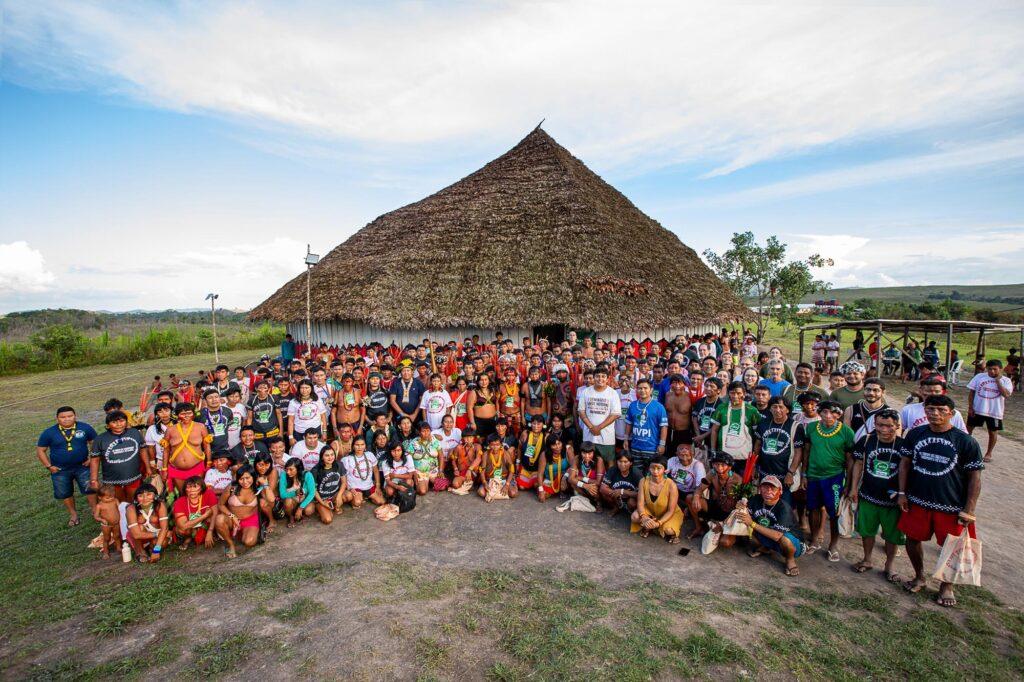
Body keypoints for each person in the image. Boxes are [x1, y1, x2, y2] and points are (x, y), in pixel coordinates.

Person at [898, 395, 983, 608]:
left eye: (940, 410)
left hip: (951, 505)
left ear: (951, 414)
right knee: (912, 539)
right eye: (930, 409)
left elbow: (975, 477)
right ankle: (919, 576)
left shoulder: (966, 441)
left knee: (952, 546)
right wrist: (901, 492)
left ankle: (946, 585)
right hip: (917, 499)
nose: (934, 413)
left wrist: (969, 509)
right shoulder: (916, 434)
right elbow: (905, 465)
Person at [848, 408, 905, 581]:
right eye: (879, 425)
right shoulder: (867, 441)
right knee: (867, 530)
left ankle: (889, 565)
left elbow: (907, 469)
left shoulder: (903, 445)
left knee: (892, 534)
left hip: (892, 499)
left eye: (888, 426)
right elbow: (857, 464)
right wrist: (853, 488)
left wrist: (903, 493)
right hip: (868, 494)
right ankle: (867, 559)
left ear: (896, 426)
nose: (883, 429)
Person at [801, 400, 855, 562]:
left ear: (839, 415)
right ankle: (815, 540)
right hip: (813, 475)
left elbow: (850, 459)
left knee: (835, 512)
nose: (828, 416)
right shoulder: (811, 428)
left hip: (835, 477)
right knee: (813, 508)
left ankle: (833, 545)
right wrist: (804, 474)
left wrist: (849, 483)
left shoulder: (846, 432)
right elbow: (807, 451)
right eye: (824, 412)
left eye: (833, 413)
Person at [37, 406, 98, 526]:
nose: (66, 419)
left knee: (90, 489)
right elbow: (40, 451)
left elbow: (95, 443)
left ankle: (95, 510)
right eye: (62, 417)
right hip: (60, 469)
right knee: (65, 493)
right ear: (57, 418)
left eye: (69, 416)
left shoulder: (85, 428)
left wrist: (92, 458)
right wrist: (49, 466)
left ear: (75, 416)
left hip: (82, 466)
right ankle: (73, 514)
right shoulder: (49, 432)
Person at [739, 475, 804, 576]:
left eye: (773, 488)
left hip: (793, 543)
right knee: (746, 526)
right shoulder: (755, 499)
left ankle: (790, 560)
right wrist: (741, 506)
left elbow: (776, 535)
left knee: (784, 539)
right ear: (760, 489)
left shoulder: (784, 508)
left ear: (780, 491)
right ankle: (766, 548)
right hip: (771, 536)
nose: (768, 491)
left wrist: (751, 523)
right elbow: (745, 515)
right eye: (765, 487)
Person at [90, 410, 148, 501]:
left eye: (121, 421)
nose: (118, 424)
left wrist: (148, 467)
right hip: (112, 478)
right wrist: (94, 479)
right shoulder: (100, 439)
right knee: (117, 502)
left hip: (133, 475)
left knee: (133, 500)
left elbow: (143, 450)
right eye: (114, 422)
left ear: (126, 421)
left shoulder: (135, 433)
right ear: (108, 425)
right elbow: (95, 460)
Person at [753, 397, 804, 495]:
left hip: (785, 475)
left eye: (781, 407)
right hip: (764, 472)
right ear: (770, 408)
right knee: (765, 500)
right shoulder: (763, 424)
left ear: (788, 409)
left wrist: (791, 473)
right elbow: (758, 445)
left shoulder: (795, 426)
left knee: (785, 503)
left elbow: (799, 452)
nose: (777, 410)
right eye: (774, 407)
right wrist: (754, 466)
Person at [709, 382, 761, 478]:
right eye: (732, 393)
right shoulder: (721, 408)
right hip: (724, 456)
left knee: (742, 484)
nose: (735, 396)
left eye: (738, 393)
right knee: (723, 481)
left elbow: (757, 435)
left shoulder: (751, 410)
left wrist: (754, 457)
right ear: (728, 393)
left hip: (744, 456)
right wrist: (713, 450)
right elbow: (714, 430)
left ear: (744, 394)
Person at [966, 359, 1014, 462]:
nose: (992, 371)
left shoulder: (1006, 380)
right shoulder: (979, 377)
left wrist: (998, 381)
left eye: (995, 369)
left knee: (992, 432)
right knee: (968, 429)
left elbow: (1006, 394)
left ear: (1000, 369)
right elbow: (971, 392)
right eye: (989, 369)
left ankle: (988, 453)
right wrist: (970, 407)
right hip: (978, 409)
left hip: (994, 411)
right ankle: (965, 449)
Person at [687, 451, 742, 538]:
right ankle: (699, 528)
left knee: (725, 542)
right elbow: (700, 489)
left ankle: (720, 526)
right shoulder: (712, 473)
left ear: (730, 467)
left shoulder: (737, 480)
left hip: (729, 514)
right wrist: (696, 497)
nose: (719, 468)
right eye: (716, 464)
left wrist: (724, 523)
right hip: (715, 506)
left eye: (723, 465)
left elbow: (741, 506)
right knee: (690, 498)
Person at [630, 457, 684, 543]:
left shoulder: (671, 485)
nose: (655, 471)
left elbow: (671, 511)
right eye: (652, 468)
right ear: (649, 468)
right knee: (635, 517)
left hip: (668, 513)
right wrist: (644, 517)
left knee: (669, 530)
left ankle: (652, 527)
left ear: (665, 470)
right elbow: (640, 503)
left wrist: (658, 523)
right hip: (650, 510)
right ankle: (650, 524)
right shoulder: (643, 481)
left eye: (659, 468)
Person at [624, 378, 668, 477]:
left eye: (645, 388)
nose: (642, 390)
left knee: (651, 475)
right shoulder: (633, 405)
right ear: (636, 390)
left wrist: (662, 444)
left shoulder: (658, 407)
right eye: (639, 388)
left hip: (652, 448)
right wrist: (626, 439)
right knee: (637, 475)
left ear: (651, 390)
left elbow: (664, 427)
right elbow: (629, 423)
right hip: (635, 447)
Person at [577, 367, 621, 467]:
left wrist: (598, 428)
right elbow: (581, 411)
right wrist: (592, 427)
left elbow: (615, 414)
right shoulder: (586, 392)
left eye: (603, 376)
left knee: (609, 460)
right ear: (594, 377)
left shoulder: (613, 393)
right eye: (597, 376)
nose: (600, 379)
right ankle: (590, 481)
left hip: (606, 436)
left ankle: (608, 481)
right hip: (589, 435)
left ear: (608, 378)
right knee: (589, 461)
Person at [216, 464, 262, 557]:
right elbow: (220, 505)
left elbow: (271, 500)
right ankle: (231, 544)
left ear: (253, 476)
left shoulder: (258, 487)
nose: (245, 482)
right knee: (219, 519)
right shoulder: (232, 488)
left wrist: (265, 484)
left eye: (247, 478)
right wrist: (232, 516)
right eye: (241, 479)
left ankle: (242, 533)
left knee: (249, 542)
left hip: (250, 519)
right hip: (232, 519)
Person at [900, 377, 968, 432]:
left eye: (937, 391)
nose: (933, 394)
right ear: (920, 391)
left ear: (943, 392)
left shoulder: (953, 413)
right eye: (928, 391)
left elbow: (963, 436)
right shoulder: (908, 410)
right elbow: (899, 431)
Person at [124, 482, 169, 563]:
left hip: (153, 535)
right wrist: (157, 534)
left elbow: (164, 528)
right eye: (140, 496)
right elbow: (136, 535)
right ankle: (140, 552)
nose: (145, 498)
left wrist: (156, 551)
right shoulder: (131, 509)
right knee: (140, 527)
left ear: (155, 496)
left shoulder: (160, 505)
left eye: (149, 494)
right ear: (136, 498)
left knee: (163, 543)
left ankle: (152, 548)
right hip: (139, 537)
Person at [171, 476, 218, 550]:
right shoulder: (179, 502)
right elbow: (183, 526)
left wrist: (210, 531)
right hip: (190, 526)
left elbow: (215, 513)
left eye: (195, 487)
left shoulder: (209, 494)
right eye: (189, 487)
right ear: (185, 489)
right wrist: (204, 515)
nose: (192, 490)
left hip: (205, 524)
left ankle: (211, 534)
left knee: (213, 518)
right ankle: (188, 538)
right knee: (181, 530)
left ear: (202, 488)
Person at [341, 436, 385, 507]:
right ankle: (358, 497)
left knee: (381, 502)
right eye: (357, 445)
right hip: (355, 487)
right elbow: (344, 476)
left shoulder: (369, 455)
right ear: (353, 446)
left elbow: (376, 471)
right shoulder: (347, 459)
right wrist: (349, 488)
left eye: (362, 445)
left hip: (369, 486)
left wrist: (378, 486)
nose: (360, 447)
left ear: (365, 446)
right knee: (357, 503)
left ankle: (366, 496)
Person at [406, 420, 444, 495]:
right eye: (423, 431)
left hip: (433, 470)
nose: (426, 433)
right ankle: (423, 483)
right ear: (419, 432)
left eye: (428, 430)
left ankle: (430, 481)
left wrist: (440, 470)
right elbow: (408, 457)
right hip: (420, 471)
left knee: (442, 487)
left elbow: (441, 456)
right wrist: (413, 472)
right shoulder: (413, 443)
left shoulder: (434, 440)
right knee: (422, 491)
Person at [287, 380, 328, 446]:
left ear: (311, 388)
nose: (304, 390)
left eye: (307, 388)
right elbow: (291, 421)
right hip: (299, 432)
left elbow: (323, 417)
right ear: (299, 389)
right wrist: (291, 437)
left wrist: (324, 432)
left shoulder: (317, 400)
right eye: (302, 388)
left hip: (316, 430)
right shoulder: (293, 402)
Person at [311, 447, 346, 523]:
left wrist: (339, 496)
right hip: (321, 498)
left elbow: (344, 482)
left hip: (334, 495)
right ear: (322, 457)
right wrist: (322, 503)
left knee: (348, 495)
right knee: (327, 520)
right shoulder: (315, 470)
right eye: (327, 455)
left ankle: (333, 504)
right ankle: (320, 508)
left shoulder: (339, 464)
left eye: (332, 454)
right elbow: (313, 490)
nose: (330, 457)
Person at [600, 451, 641, 515]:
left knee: (632, 503)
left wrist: (623, 491)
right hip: (616, 496)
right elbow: (602, 488)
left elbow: (642, 494)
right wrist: (616, 493)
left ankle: (630, 512)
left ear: (631, 463)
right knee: (604, 494)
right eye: (620, 461)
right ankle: (616, 507)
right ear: (616, 462)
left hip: (630, 497)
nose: (622, 464)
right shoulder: (612, 470)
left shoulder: (636, 473)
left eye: (625, 462)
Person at [278, 457, 316, 527]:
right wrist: (295, 493)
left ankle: (301, 514)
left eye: (291, 469)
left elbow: (312, 493)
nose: (288, 472)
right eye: (286, 469)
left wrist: (300, 508)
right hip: (293, 501)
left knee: (309, 510)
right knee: (288, 501)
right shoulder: (284, 475)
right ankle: (291, 517)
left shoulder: (307, 475)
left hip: (304, 500)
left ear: (298, 469)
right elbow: (282, 494)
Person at [664, 374, 693, 459]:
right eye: (674, 383)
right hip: (669, 430)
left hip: (684, 433)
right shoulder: (667, 395)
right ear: (670, 384)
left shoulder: (689, 396)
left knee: (684, 457)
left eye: (680, 383)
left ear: (684, 384)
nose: (677, 386)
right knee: (668, 456)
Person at [478, 433, 515, 500]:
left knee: (513, 493)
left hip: (504, 479)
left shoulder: (505, 453)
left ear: (501, 444)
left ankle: (497, 492)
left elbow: (511, 470)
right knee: (481, 493)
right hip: (490, 479)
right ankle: (497, 492)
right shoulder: (486, 454)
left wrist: (506, 485)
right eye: (492, 445)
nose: (495, 447)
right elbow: (482, 470)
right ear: (489, 445)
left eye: (497, 445)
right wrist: (484, 483)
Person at [567, 442, 605, 507]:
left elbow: (598, 482)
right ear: (580, 452)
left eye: (590, 453)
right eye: (584, 453)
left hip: (595, 484)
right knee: (573, 483)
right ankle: (588, 499)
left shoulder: (599, 460)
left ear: (594, 453)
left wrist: (581, 478)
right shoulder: (577, 458)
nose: (587, 456)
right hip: (585, 483)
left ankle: (598, 502)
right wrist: (585, 485)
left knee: (594, 488)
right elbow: (570, 478)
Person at [514, 416, 546, 492]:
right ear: (530, 424)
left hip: (537, 469)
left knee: (536, 485)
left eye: (539, 424)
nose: (536, 426)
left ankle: (533, 481)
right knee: (521, 487)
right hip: (525, 467)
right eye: (534, 423)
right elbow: (519, 448)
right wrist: (517, 463)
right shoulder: (525, 433)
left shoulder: (546, 436)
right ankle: (528, 480)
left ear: (543, 425)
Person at [92, 485, 122, 559]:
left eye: (112, 496)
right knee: (106, 538)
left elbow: (120, 508)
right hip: (106, 525)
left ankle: (118, 547)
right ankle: (106, 551)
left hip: (116, 523)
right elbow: (96, 516)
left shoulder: (115, 500)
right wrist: (102, 520)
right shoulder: (99, 506)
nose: (110, 499)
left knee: (117, 536)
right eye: (107, 498)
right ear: (100, 497)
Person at [537, 436, 570, 503]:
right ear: (549, 446)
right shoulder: (544, 455)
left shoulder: (567, 450)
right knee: (543, 497)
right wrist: (541, 490)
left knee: (571, 479)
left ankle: (563, 490)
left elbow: (573, 466)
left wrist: (564, 477)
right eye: (554, 445)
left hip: (564, 478)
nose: (558, 447)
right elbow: (540, 474)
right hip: (549, 480)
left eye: (559, 443)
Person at [143, 402, 173, 473]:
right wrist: (152, 461)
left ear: (171, 411)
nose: (164, 414)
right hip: (161, 460)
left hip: (178, 459)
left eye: (166, 410)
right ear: (156, 414)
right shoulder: (152, 429)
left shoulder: (179, 425)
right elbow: (151, 447)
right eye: (160, 412)